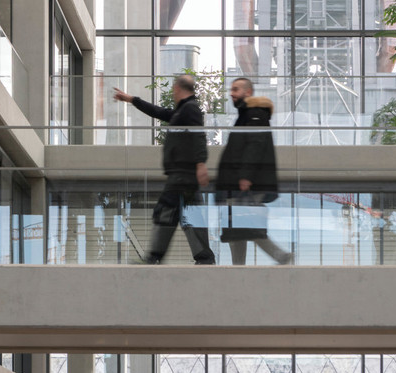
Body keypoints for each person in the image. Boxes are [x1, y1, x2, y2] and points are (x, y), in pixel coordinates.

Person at [112, 75, 215, 265]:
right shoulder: (182, 111)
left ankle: (158, 257)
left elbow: (198, 135)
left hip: (183, 174)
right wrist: (131, 99)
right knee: (180, 215)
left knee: (169, 212)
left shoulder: (190, 109)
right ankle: (201, 258)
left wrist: (201, 164)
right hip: (181, 174)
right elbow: (158, 112)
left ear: (177, 88)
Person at [215, 77, 292, 265]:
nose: (231, 93)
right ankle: (239, 267)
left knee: (247, 225)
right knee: (237, 227)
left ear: (248, 92)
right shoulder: (247, 114)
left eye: (236, 89)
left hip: (247, 183)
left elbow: (254, 145)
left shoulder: (254, 113)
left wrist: (245, 176)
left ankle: (281, 257)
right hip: (240, 182)